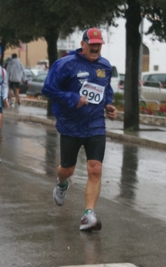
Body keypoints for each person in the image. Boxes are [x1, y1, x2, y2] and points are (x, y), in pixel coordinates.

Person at [41, 28, 117, 231]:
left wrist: (109, 105)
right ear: (82, 44)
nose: (95, 47)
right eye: (91, 43)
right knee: (68, 169)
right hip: (70, 124)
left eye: (98, 44)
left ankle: (88, 214)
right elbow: (48, 89)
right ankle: (62, 182)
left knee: (95, 169)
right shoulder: (65, 64)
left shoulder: (105, 66)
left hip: (95, 125)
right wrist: (72, 99)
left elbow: (106, 90)